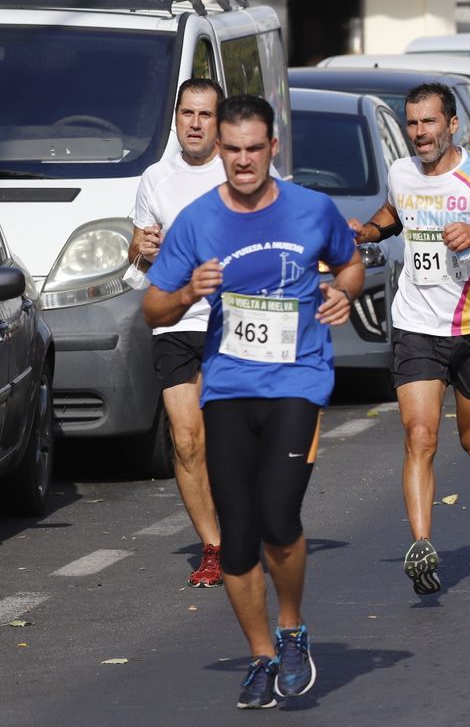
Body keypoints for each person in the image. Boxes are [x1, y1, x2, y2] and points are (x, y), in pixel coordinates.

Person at [142, 95, 362, 709]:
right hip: (230, 385)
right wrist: (189, 289)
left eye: (253, 149)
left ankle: (292, 630)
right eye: (232, 150)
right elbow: (153, 309)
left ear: (273, 148)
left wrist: (342, 294)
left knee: (278, 517)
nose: (243, 161)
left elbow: (349, 266)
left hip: (298, 379)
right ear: (220, 151)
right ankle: (262, 657)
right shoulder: (196, 220)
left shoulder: (312, 209)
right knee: (237, 538)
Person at [348, 84, 470, 594]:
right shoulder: (401, 171)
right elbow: (395, 212)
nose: (419, 134)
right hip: (416, 325)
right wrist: (367, 231)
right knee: (419, 437)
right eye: (412, 124)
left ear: (451, 124)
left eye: (428, 123)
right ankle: (422, 545)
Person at [128, 78, 233, 589]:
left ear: (219, 121)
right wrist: (143, 247)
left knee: (231, 438)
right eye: (187, 114)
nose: (194, 123)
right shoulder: (155, 178)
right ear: (176, 118)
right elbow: (135, 251)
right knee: (187, 440)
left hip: (233, 320)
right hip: (175, 320)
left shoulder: (240, 169)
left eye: (205, 115)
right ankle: (213, 546)